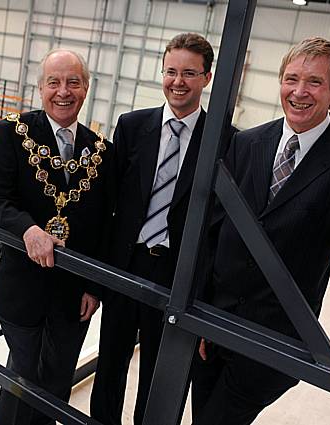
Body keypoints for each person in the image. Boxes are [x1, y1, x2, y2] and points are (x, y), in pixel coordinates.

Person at [191, 36, 330, 425]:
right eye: (291, 79)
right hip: (212, 330)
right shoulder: (247, 143)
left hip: (275, 343)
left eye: (315, 82)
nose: (300, 92)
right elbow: (214, 234)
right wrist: (198, 309)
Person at [90, 33, 235, 425]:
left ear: (207, 77)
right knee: (110, 367)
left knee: (161, 376)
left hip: (178, 276)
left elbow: (220, 229)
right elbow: (109, 205)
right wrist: (95, 277)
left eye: (189, 73)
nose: (178, 81)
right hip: (126, 264)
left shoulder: (225, 138)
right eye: (171, 71)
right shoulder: (133, 126)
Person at [0, 48, 113, 425]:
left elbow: (104, 225)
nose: (63, 91)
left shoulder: (102, 151)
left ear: (86, 88)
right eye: (53, 82)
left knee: (55, 384)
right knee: (24, 378)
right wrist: (28, 229)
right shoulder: (12, 133)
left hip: (74, 297)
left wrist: (95, 287)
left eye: (73, 82)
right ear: (40, 88)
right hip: (21, 288)